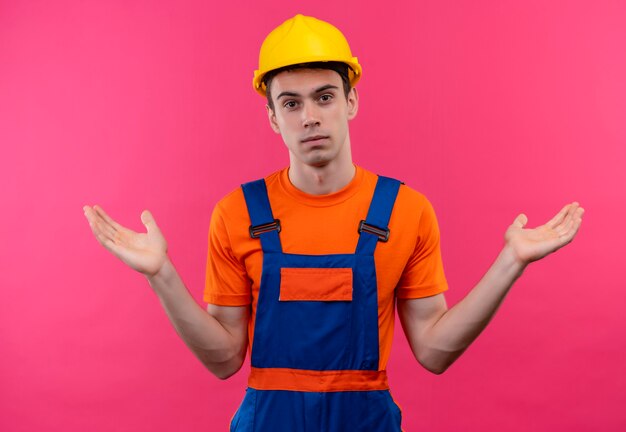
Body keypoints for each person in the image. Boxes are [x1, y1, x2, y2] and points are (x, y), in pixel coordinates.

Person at [83, 14, 584, 431]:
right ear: (273, 118)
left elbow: (433, 350)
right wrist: (162, 276)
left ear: (351, 102)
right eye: (291, 103)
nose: (309, 118)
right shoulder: (237, 214)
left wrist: (509, 263)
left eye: (324, 96)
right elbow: (225, 358)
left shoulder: (404, 211)